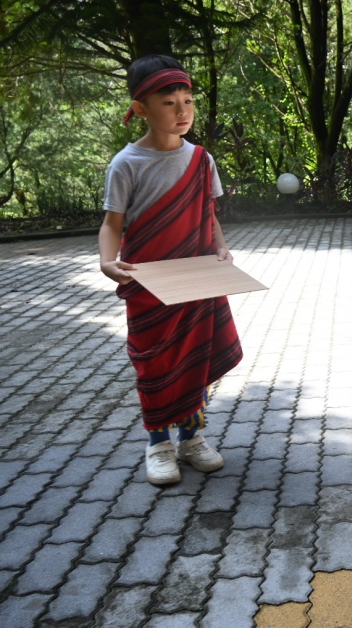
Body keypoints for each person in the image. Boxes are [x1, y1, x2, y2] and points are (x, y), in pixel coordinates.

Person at [99, 54, 242, 485]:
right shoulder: (126, 164)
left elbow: (208, 212)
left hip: (197, 280)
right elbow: (112, 224)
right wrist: (108, 262)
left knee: (194, 359)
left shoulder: (202, 159)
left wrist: (221, 247)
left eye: (188, 100)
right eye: (169, 103)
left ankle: (192, 438)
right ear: (141, 109)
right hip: (149, 284)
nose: (183, 112)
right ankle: (157, 444)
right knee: (157, 364)